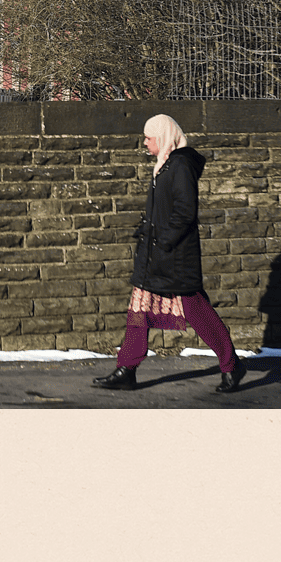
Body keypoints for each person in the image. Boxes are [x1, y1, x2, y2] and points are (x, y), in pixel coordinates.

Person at [92, 114, 245, 393]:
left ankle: (232, 365)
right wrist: (146, 232)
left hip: (175, 258)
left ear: (162, 138)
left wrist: (163, 241)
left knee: (199, 314)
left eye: (149, 138)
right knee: (137, 313)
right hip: (155, 255)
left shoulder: (181, 165)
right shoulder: (164, 165)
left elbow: (185, 212)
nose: (145, 144)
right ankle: (127, 369)